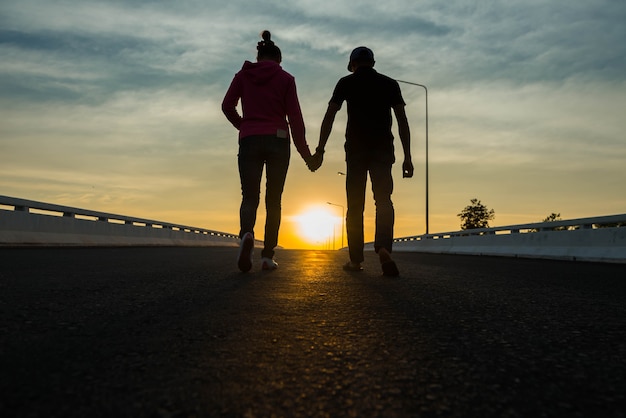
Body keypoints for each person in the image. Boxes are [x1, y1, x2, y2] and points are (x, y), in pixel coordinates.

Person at [312, 46, 414, 276]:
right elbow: (402, 120)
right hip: (383, 151)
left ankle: (356, 260)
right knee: (384, 200)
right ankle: (384, 249)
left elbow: (330, 115)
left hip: (356, 152)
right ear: (373, 63)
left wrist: (320, 149)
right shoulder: (390, 84)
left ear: (353, 64)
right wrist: (407, 156)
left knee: (355, 206)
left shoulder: (346, 83)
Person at [222, 30, 318, 272]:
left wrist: (243, 125)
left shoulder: (243, 76)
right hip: (278, 140)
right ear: (279, 59)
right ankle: (267, 256)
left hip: (250, 139)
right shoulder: (286, 79)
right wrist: (307, 155)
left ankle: (246, 235)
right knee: (273, 199)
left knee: (249, 196)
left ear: (258, 56)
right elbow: (295, 119)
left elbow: (227, 106)